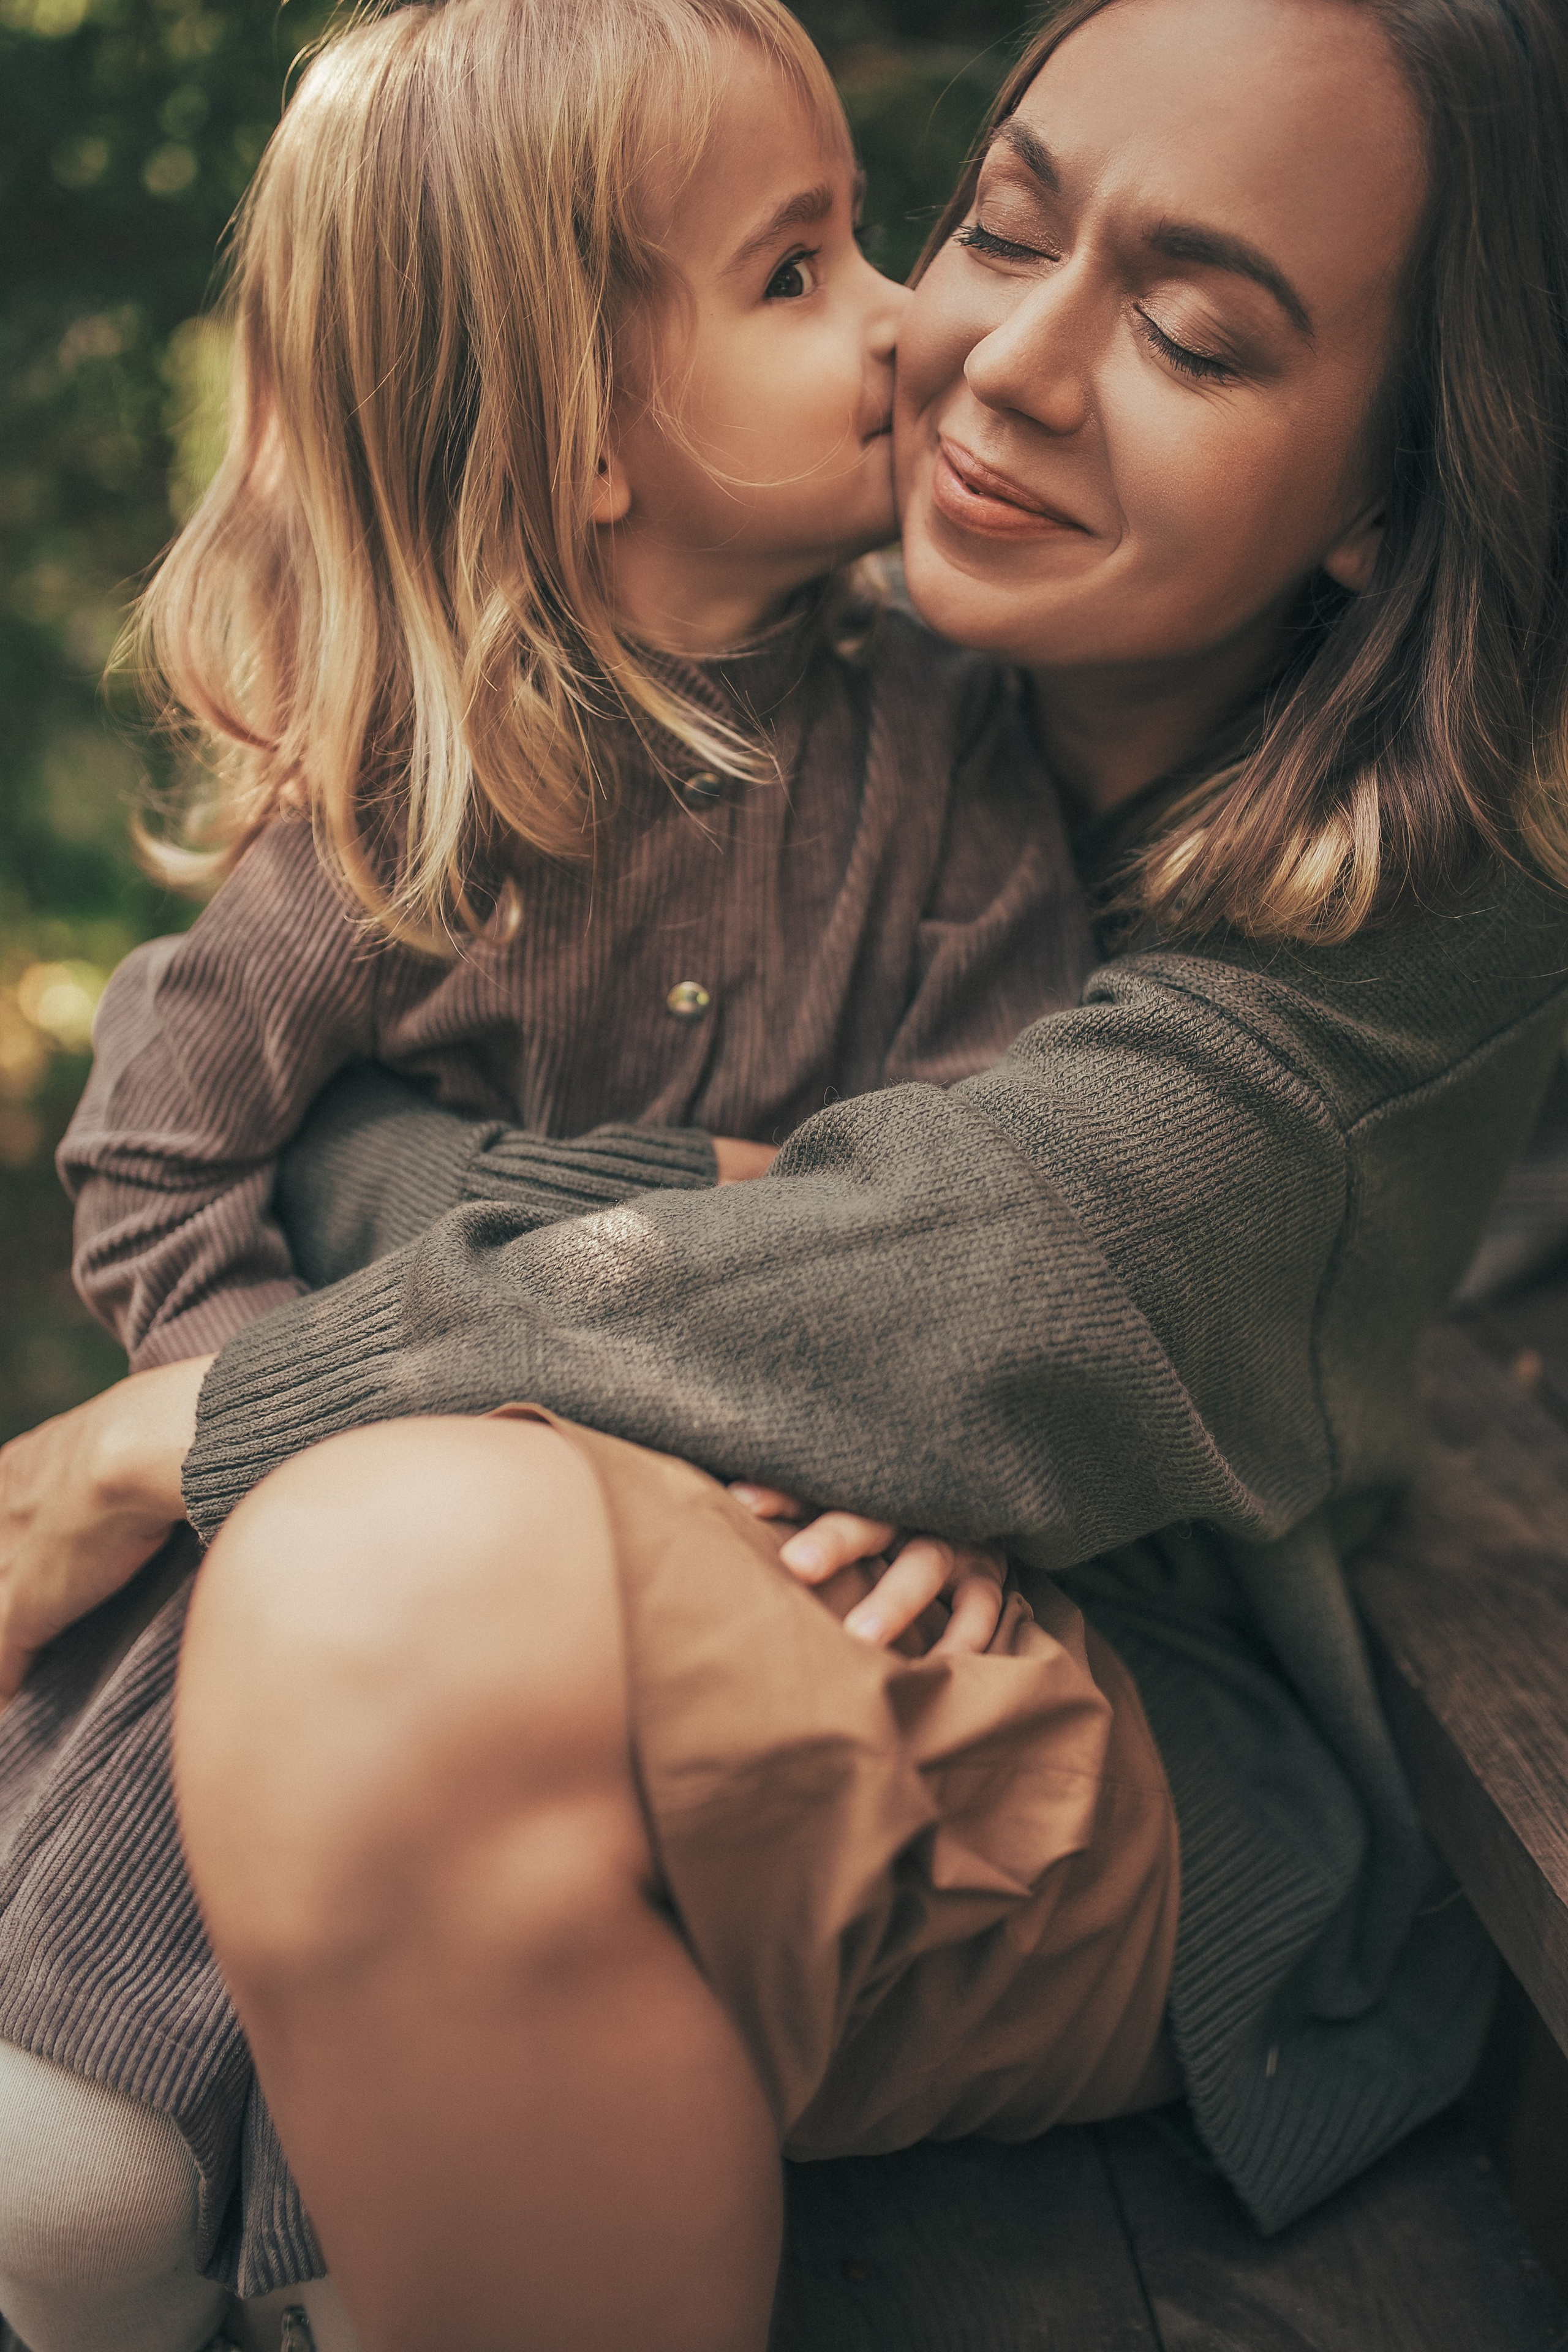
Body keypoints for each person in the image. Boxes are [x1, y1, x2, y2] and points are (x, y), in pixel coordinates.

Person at [4, 0, 1568, 2344]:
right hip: (710, 1560)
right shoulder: (784, 679)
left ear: (1392, 489)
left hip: (1128, 1692)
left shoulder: (1431, 894)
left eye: (1195, 330)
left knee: (373, 1575)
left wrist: (201, 1421)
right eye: (1002, 228)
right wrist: (744, 1245)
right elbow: (338, 1126)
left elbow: (990, 1284)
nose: (997, 364)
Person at [57, 0, 1090, 1384]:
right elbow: (155, 1164)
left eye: (857, 234)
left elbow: (994, 1196)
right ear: (577, 440)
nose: (901, 317)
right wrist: (308, 1442)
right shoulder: (407, 810)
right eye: (792, 273)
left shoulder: (949, 732)